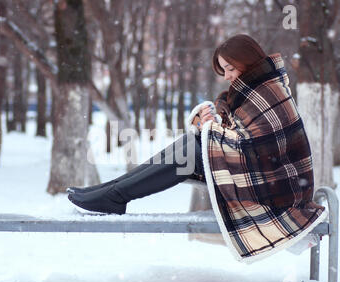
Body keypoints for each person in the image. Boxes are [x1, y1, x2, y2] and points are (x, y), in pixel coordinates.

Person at [68, 34, 326, 262]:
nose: (226, 77)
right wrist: (208, 123)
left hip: (276, 189)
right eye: (223, 70)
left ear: (247, 61)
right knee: (190, 147)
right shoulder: (258, 87)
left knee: (190, 151)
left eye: (229, 68)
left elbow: (256, 146)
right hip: (260, 175)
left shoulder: (269, 91)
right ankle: (109, 192)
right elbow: (240, 133)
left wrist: (210, 128)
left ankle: (114, 196)